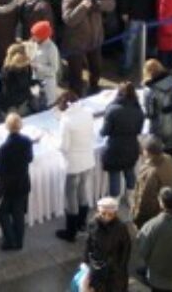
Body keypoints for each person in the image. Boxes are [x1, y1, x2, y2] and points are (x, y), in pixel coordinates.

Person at [55, 90, 96, 242]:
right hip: (88, 159)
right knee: (82, 190)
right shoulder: (87, 113)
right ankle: (81, 223)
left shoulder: (66, 121)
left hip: (73, 164)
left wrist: (54, 141)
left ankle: (71, 231)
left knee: (71, 195)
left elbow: (63, 147)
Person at [0, 113, 33, 250]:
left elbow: (0, 171)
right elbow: (30, 159)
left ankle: (9, 240)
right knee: (18, 213)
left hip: (8, 187)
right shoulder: (27, 141)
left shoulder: (4, 148)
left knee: (1, 211)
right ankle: (19, 242)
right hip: (23, 183)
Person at [100, 81, 146, 197]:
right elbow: (139, 130)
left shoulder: (112, 110)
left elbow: (104, 132)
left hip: (115, 149)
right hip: (131, 147)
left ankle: (115, 200)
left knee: (115, 176)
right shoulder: (138, 110)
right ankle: (132, 198)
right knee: (130, 172)